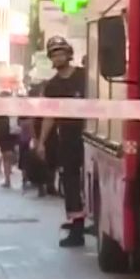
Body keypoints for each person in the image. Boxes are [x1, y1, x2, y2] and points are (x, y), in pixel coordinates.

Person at [36, 37, 87, 248]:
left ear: (68, 54)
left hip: (89, 134)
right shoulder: (52, 86)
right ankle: (76, 228)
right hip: (67, 137)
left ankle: (90, 219)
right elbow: (49, 116)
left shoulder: (84, 78)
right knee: (70, 181)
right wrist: (41, 142)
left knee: (87, 181)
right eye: (54, 54)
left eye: (60, 53)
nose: (58, 57)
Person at [0, 92, 18, 189]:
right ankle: (8, 178)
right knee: (8, 155)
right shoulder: (13, 109)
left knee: (6, 156)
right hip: (11, 132)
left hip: (5, 132)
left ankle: (7, 179)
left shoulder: (0, 111)